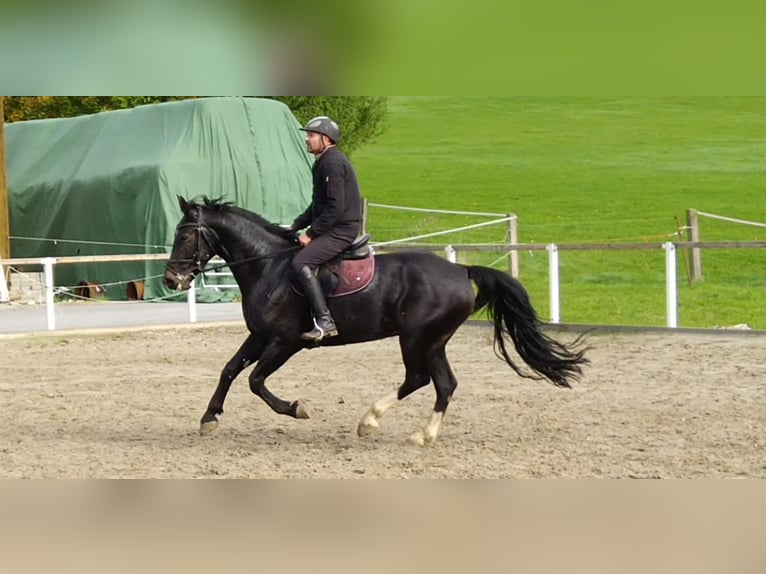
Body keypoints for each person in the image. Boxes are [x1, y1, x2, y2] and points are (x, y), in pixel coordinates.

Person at [289, 116, 363, 342]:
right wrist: (295, 226)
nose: (307, 139)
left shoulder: (332, 163)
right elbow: (317, 205)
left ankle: (325, 320)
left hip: (342, 229)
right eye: (308, 135)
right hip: (333, 227)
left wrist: (311, 233)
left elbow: (335, 207)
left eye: (311, 135)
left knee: (301, 263)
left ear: (326, 139)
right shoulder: (322, 162)